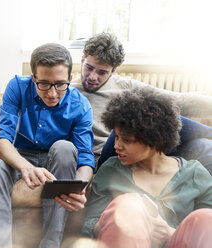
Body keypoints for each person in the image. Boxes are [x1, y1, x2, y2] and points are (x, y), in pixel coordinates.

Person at [0, 43, 95, 248]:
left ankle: (50, 244)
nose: (52, 93)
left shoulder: (80, 105)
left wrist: (78, 188)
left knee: (65, 147)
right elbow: (2, 139)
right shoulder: (17, 87)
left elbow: (86, 158)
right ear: (33, 78)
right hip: (20, 155)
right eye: (44, 83)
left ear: (70, 79)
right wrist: (25, 166)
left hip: (57, 159)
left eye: (60, 84)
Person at [82, 86, 212, 248]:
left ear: (154, 139)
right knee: (128, 205)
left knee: (205, 218)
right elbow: (89, 224)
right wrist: (121, 219)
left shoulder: (194, 173)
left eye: (127, 140)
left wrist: (169, 233)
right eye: (116, 137)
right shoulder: (111, 169)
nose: (116, 146)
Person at [73, 32, 212, 173]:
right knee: (127, 123)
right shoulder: (65, 92)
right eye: (89, 68)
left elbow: (176, 100)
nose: (93, 77)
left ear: (113, 71)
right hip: (103, 158)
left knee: (203, 146)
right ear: (83, 59)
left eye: (102, 72)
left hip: (133, 150)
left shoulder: (123, 85)